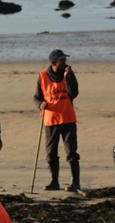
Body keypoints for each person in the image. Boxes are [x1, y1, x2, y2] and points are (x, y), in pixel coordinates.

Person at [33, 49, 80, 192]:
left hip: (68, 119)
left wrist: (69, 77)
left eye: (65, 60)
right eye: (62, 60)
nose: (65, 63)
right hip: (51, 120)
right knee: (51, 153)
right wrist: (40, 104)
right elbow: (36, 97)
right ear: (54, 62)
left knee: (71, 152)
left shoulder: (69, 74)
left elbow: (74, 93)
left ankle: (75, 183)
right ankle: (54, 182)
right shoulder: (42, 76)